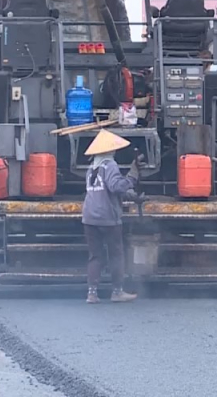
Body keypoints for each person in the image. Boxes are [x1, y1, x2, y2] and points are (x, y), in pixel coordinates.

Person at [81, 129, 142, 304]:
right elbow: (116, 187)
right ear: (109, 150)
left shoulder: (91, 168)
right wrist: (131, 177)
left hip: (89, 217)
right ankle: (117, 291)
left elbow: (106, 190)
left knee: (95, 255)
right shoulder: (110, 165)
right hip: (107, 217)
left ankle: (92, 293)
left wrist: (129, 192)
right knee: (116, 254)